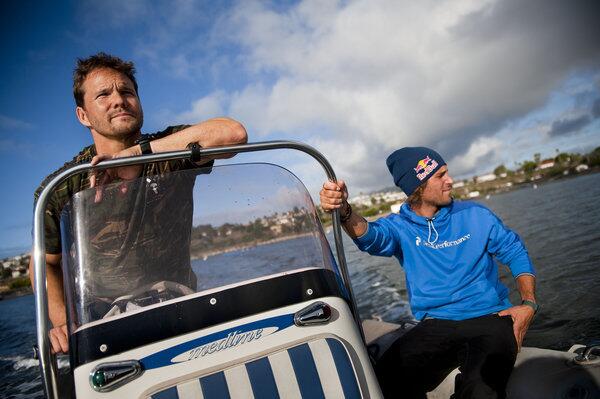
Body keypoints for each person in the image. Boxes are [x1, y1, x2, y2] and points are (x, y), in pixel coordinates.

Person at [28, 52, 248, 354]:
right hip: (103, 322)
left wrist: (137, 153)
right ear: (83, 115)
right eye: (103, 95)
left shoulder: (168, 151)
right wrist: (63, 322)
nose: (118, 100)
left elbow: (233, 134)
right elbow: (46, 263)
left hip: (181, 305)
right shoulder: (64, 185)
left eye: (127, 92)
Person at [320, 147, 538, 398]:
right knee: (383, 382)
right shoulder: (399, 227)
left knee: (482, 390)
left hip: (491, 317)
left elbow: (515, 252)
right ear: (418, 186)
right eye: (440, 175)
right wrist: (344, 209)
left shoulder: (477, 215)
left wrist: (528, 303)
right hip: (436, 325)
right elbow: (371, 237)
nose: (450, 180)